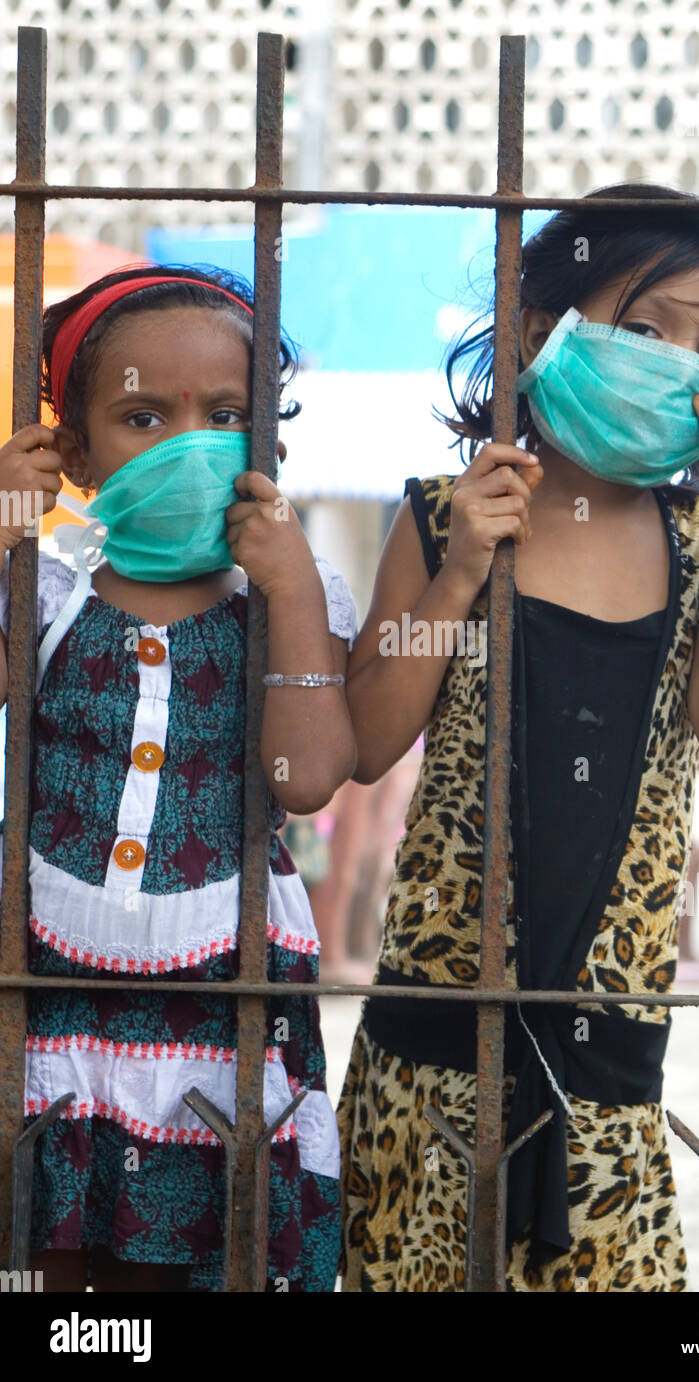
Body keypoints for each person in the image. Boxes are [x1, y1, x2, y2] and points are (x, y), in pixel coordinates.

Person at [337, 183, 699, 1292]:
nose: (677, 365)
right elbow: (367, 737)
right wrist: (456, 576)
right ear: (543, 328)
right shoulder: (444, 515)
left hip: (606, 1070)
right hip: (429, 1054)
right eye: (643, 329)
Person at [0, 265, 358, 1291]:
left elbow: (307, 775)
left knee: (202, 1247)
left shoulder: (286, 594)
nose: (188, 443)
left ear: (269, 441)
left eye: (226, 415)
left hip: (222, 987)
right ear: (71, 453)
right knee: (53, 1247)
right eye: (143, 415)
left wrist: (288, 586)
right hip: (51, 976)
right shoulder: (50, 587)